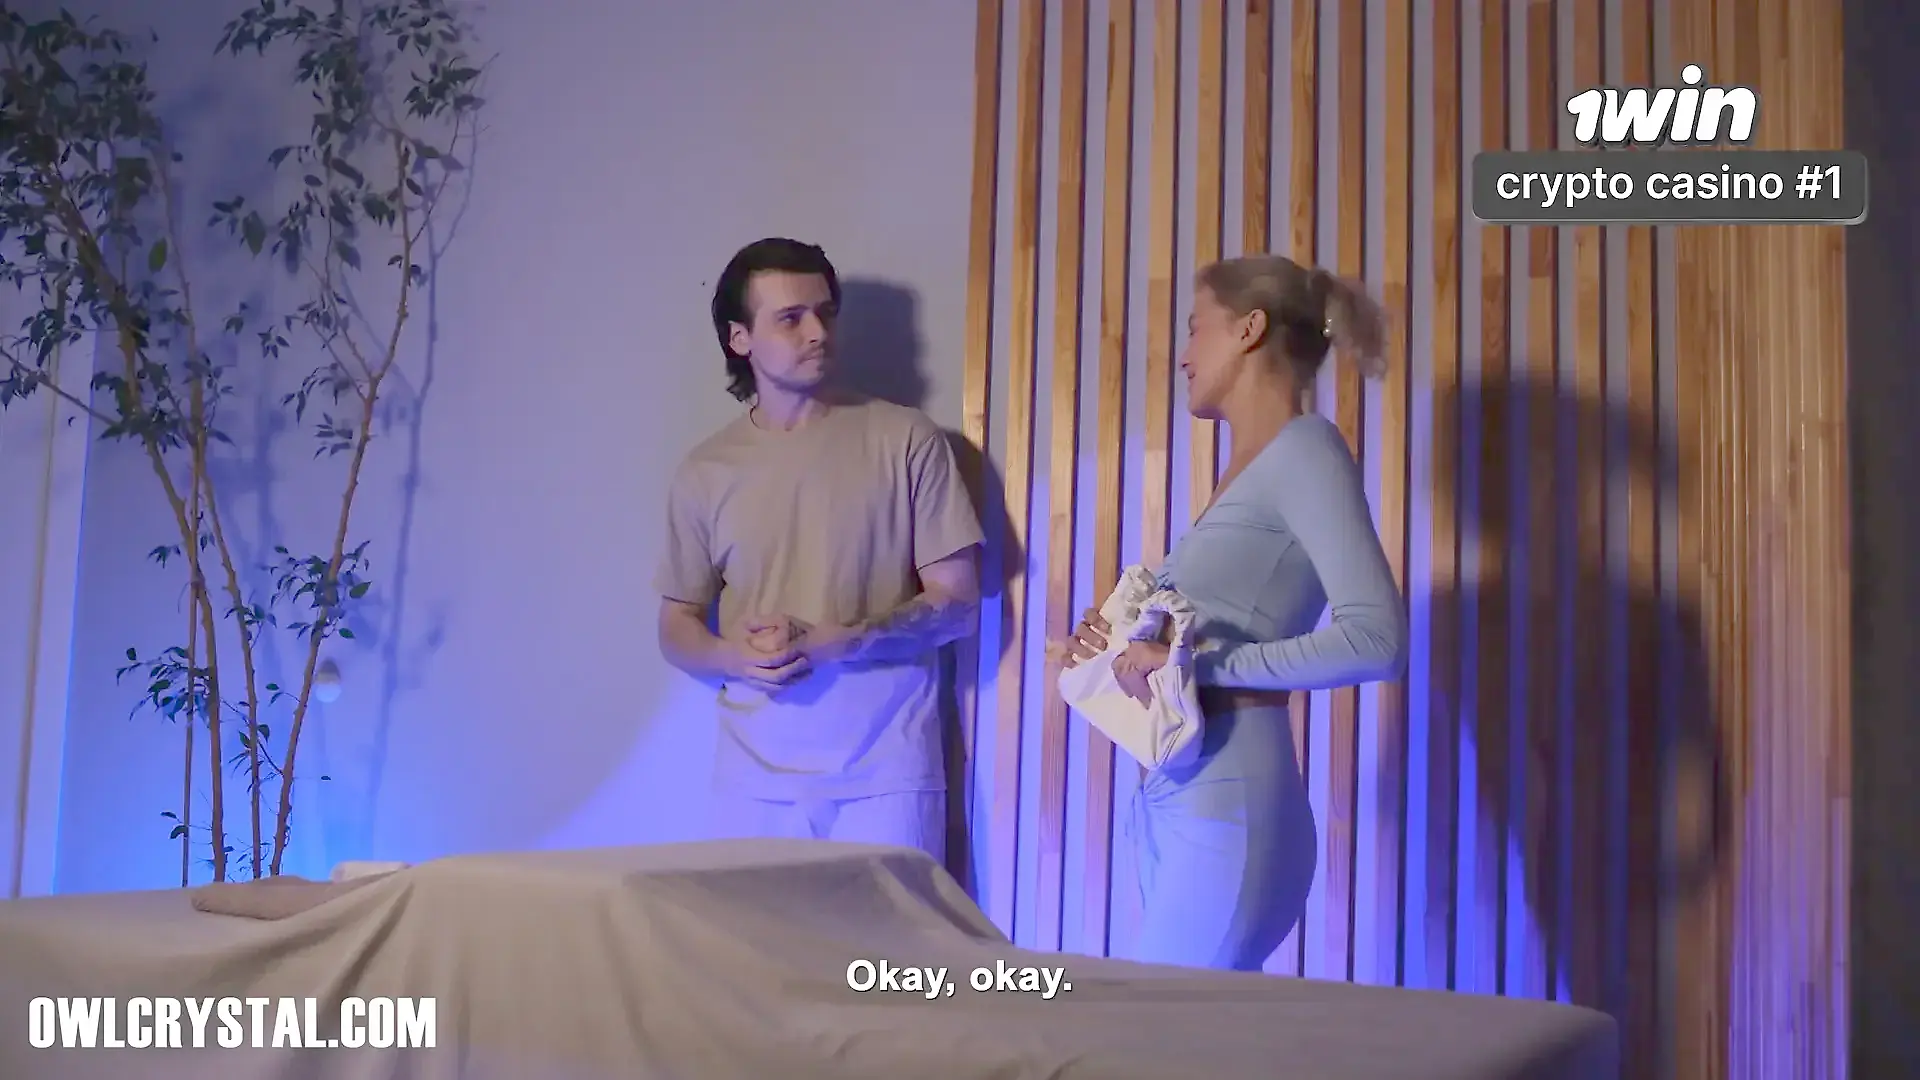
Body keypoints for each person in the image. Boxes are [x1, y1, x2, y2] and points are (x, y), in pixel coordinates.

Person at [1057, 255, 1407, 971]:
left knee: (1159, 1028)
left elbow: (1378, 639)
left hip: (1231, 806)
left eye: (1195, 328)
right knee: (1183, 1029)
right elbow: (1205, 640)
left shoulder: (1305, 448)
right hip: (1182, 796)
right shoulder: (1251, 470)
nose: (1183, 354)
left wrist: (1197, 662)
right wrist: (1116, 645)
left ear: (1249, 329)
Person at [654, 237, 984, 865]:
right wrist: (733, 656)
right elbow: (676, 626)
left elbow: (960, 604)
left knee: (892, 936)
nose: (818, 332)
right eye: (790, 317)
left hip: (887, 775)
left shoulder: (906, 439)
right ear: (740, 339)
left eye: (826, 312)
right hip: (753, 782)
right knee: (747, 936)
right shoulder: (705, 471)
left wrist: (848, 639)